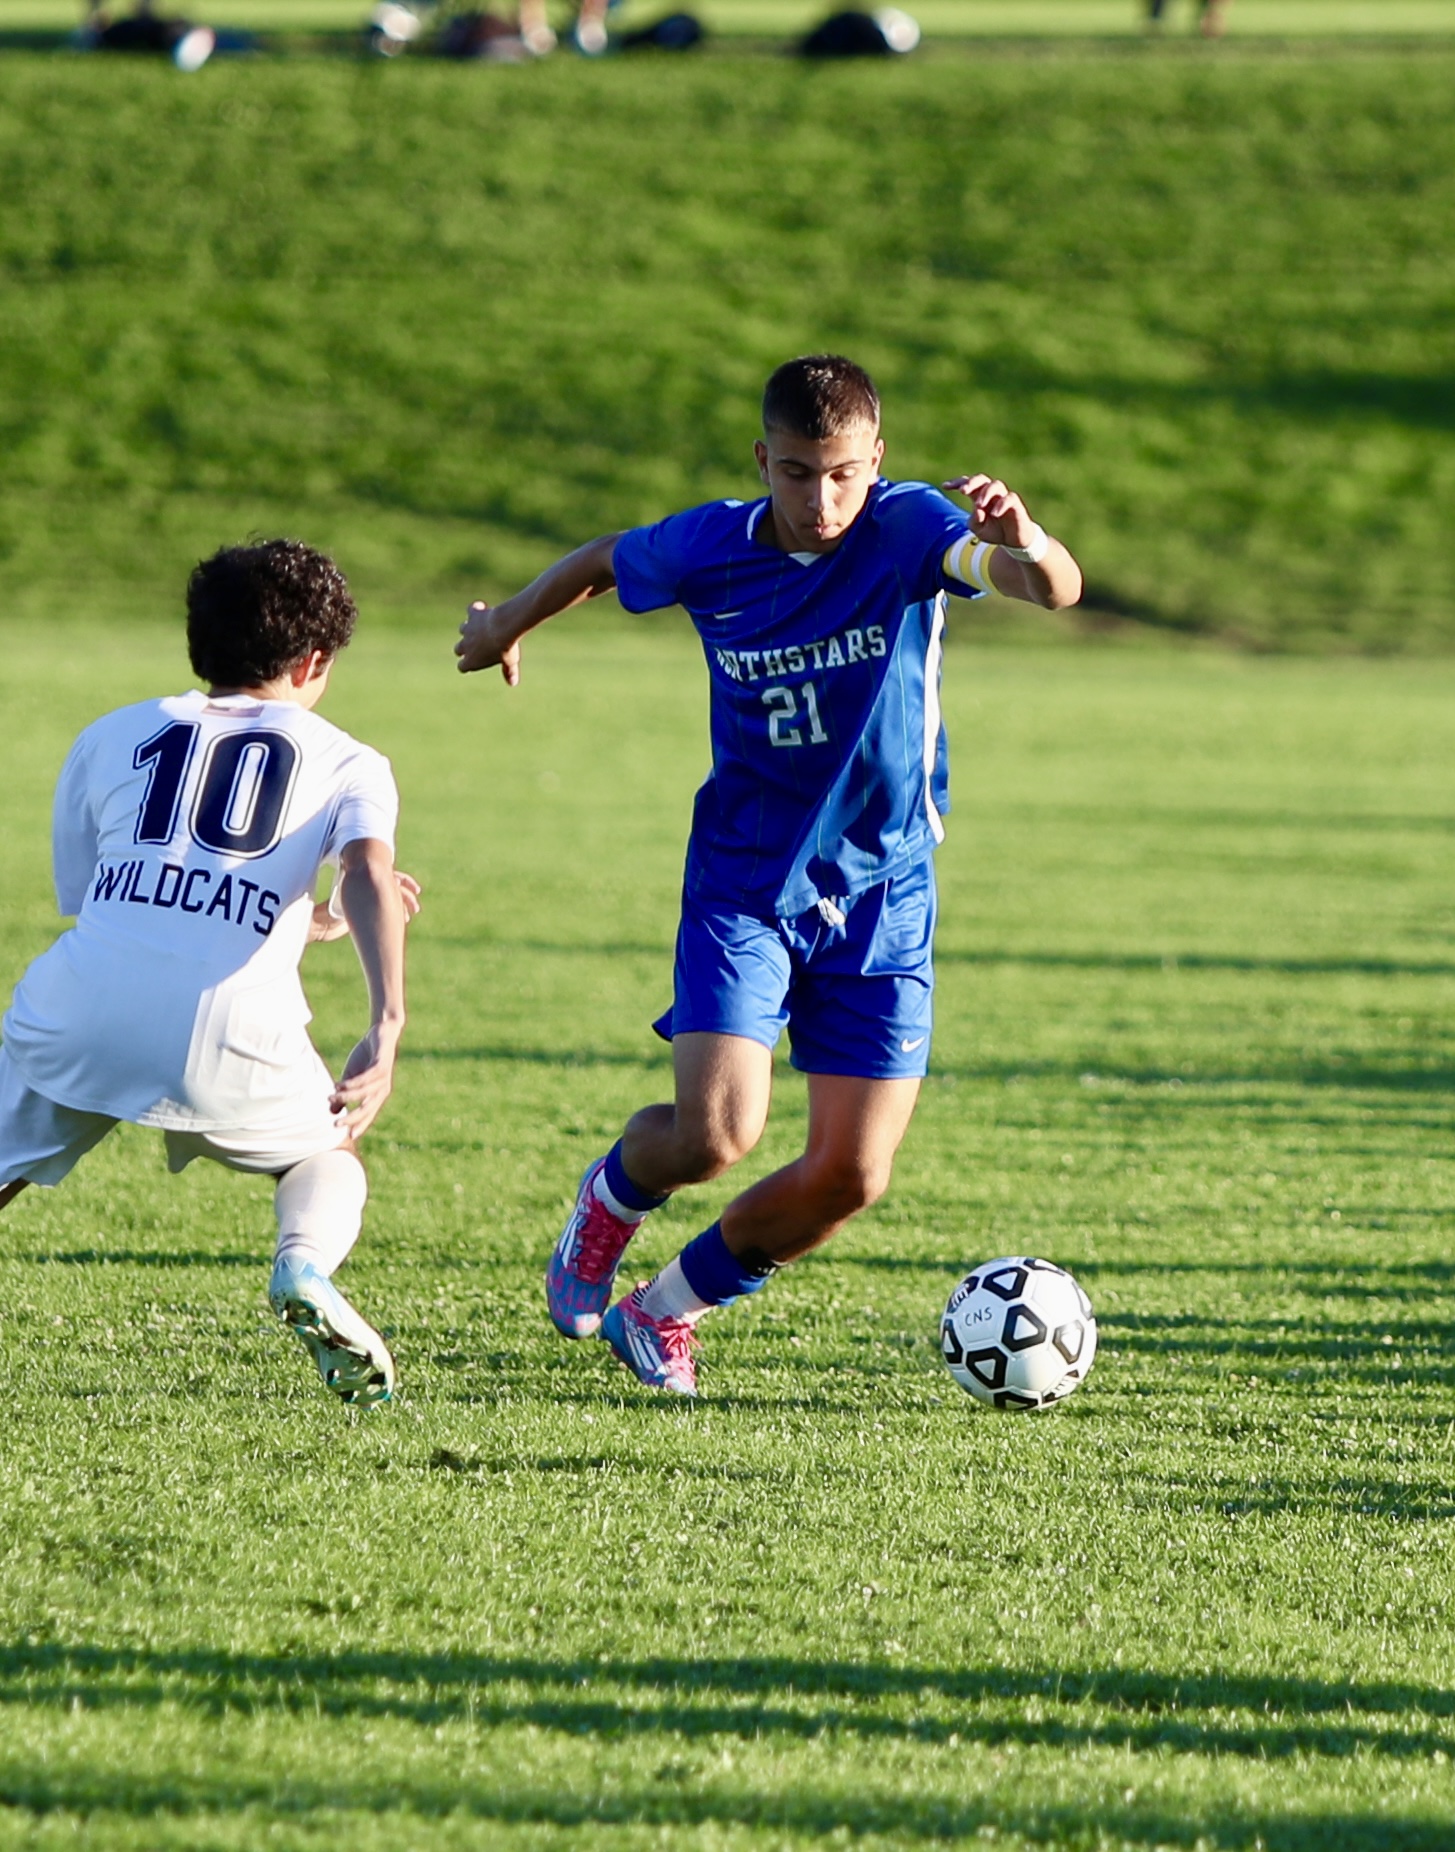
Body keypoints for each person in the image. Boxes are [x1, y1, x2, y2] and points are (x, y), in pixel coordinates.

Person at [455, 354, 1083, 1397]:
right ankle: (607, 1207)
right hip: (746, 885)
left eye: (842, 474)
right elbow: (607, 559)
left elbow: (1045, 587)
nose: (821, 498)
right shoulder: (713, 545)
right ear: (764, 461)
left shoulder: (913, 528)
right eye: (796, 472)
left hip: (887, 892)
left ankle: (665, 1314)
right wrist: (505, 622)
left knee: (852, 1175)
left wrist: (1027, 539)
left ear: (874, 464)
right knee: (714, 1136)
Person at [0, 541, 415, 1409]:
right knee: (324, 1155)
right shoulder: (346, 758)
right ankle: (301, 1264)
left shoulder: (110, 733)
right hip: (234, 1032)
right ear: (314, 661)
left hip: (81, 1005)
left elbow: (127, 902)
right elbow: (371, 874)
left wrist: (310, 922)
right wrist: (386, 1020)